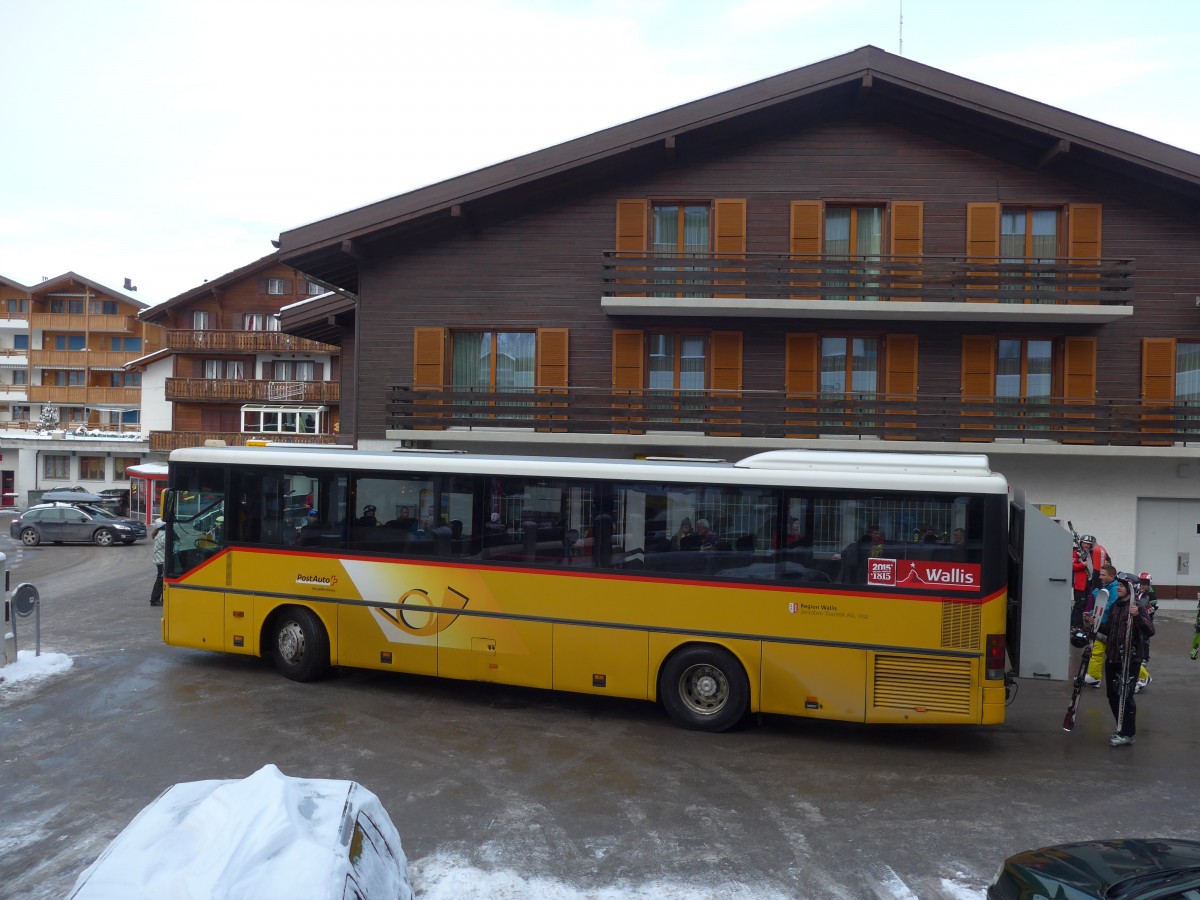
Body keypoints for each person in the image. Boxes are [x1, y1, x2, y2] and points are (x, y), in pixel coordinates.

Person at [1099, 575, 1155, 746]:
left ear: (1132, 588)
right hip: (1113, 657)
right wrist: (1094, 624)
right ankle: (1121, 727)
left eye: (1123, 585)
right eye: (1119, 585)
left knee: (1125, 697)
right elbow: (1109, 630)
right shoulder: (1117, 605)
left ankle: (1128, 733)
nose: (1119, 587)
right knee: (1112, 696)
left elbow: (1150, 630)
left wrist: (1138, 616)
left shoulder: (1137, 607)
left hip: (1130, 660)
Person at [150, 518, 166, 607]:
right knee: (160, 580)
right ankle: (154, 600)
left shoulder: (159, 534)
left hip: (159, 560)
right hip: (162, 560)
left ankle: (159, 598)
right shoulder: (164, 535)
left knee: (162, 579)